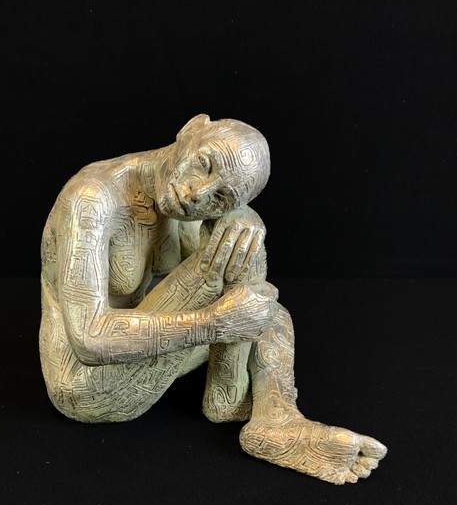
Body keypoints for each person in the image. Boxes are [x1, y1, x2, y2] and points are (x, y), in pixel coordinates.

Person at [39, 114, 387, 484]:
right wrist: (214, 323)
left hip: (142, 358)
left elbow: (242, 278)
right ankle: (235, 399)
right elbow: (89, 338)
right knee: (235, 245)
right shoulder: (92, 199)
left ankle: (272, 415)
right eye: (204, 164)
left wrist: (246, 219)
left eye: (221, 197)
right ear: (191, 129)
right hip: (87, 383)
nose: (197, 194)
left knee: (266, 305)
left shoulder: (199, 209)